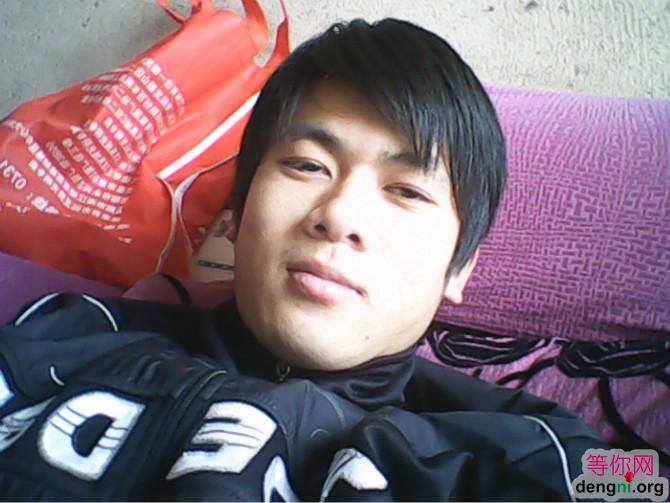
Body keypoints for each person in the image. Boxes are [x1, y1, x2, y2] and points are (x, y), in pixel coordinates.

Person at [0, 18, 605, 501]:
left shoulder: (536, 448)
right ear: (236, 215)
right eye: (308, 165)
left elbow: (638, 483)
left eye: (406, 191)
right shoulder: (68, 333)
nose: (339, 216)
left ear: (459, 268)